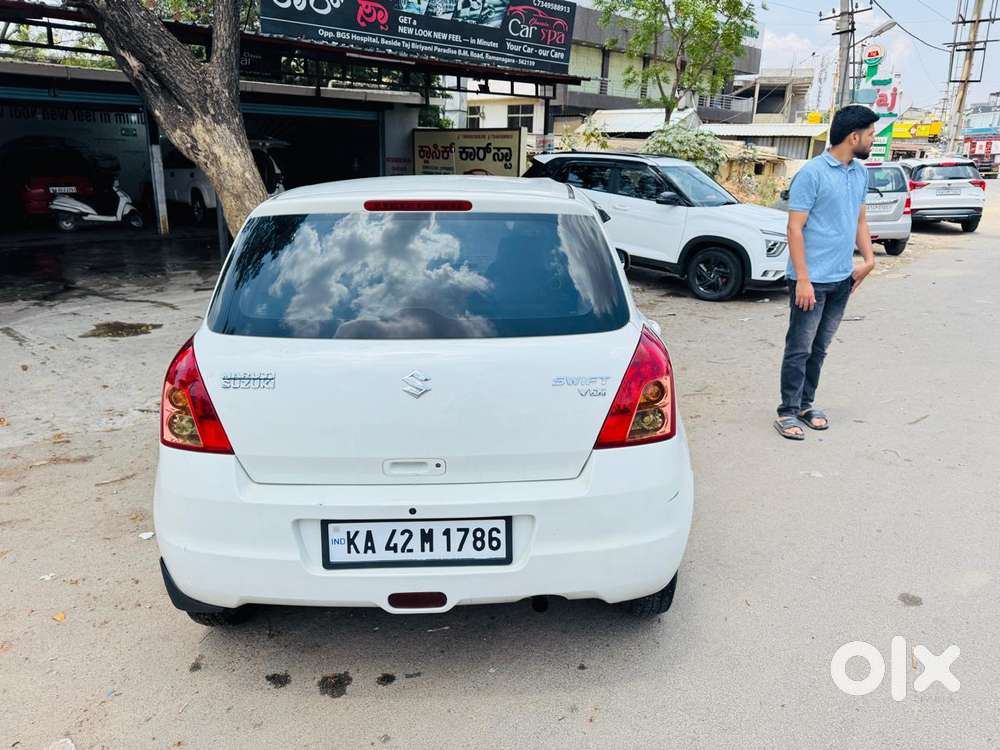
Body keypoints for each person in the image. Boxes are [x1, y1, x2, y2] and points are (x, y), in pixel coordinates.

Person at [774, 105, 879, 440]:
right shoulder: (812, 173)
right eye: (871, 134)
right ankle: (787, 411)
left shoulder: (860, 173)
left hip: (841, 279)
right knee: (800, 347)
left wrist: (869, 258)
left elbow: (859, 220)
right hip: (811, 280)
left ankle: (806, 404)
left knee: (820, 348)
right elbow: (795, 228)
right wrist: (802, 278)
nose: (873, 139)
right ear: (854, 136)